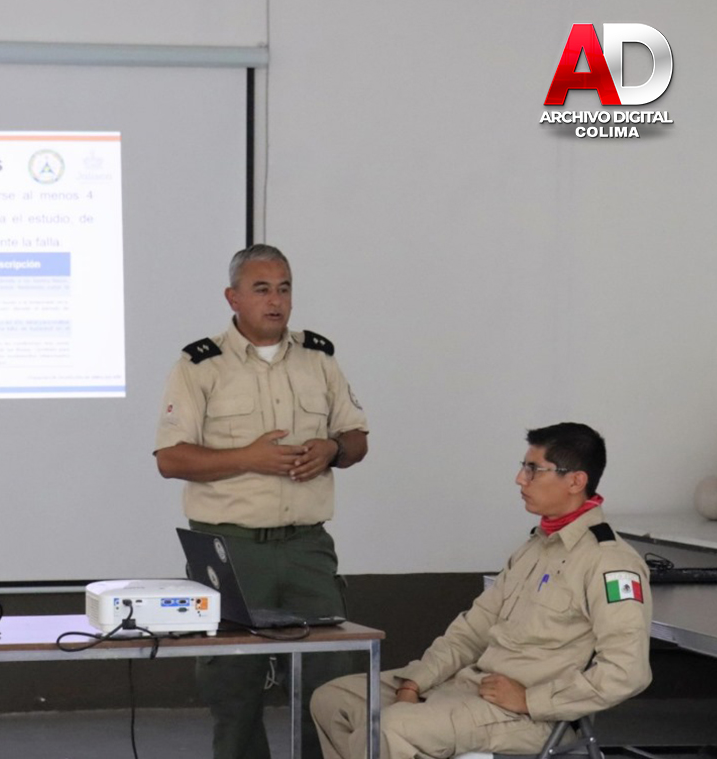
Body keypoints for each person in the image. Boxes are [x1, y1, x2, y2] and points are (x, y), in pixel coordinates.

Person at [310, 422, 653, 759]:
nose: (520, 479)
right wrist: (416, 681)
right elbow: (472, 631)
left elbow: (626, 672)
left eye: (534, 470)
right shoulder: (535, 548)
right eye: (523, 467)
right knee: (332, 700)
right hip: (471, 688)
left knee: (388, 729)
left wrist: (531, 700)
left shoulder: (610, 563)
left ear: (576, 481)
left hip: (529, 717)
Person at [154, 243, 369, 759]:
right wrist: (248, 457)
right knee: (233, 687)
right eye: (261, 289)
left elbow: (357, 439)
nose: (275, 301)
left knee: (329, 684)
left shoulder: (319, 358)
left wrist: (333, 449)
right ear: (233, 298)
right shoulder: (200, 364)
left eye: (284, 289)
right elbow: (171, 458)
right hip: (229, 549)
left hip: (306, 548)